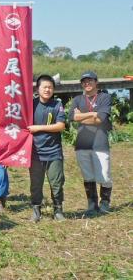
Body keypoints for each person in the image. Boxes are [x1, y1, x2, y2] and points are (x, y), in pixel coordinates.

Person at [69, 71, 113, 214]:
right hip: (82, 143)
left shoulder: (104, 97)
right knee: (88, 175)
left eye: (90, 81)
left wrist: (81, 116)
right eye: (84, 81)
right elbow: (72, 118)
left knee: (104, 175)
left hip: (100, 142)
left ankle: (105, 202)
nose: (87, 84)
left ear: (96, 82)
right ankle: (92, 203)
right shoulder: (77, 99)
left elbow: (101, 119)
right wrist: (92, 114)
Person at [28, 75, 66, 222]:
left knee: (57, 182)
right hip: (35, 152)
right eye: (44, 87)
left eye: (50, 87)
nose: (47, 89)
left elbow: (60, 126)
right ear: (38, 89)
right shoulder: (31, 105)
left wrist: (38, 128)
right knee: (35, 183)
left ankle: (58, 209)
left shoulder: (57, 105)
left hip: (54, 151)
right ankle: (36, 210)